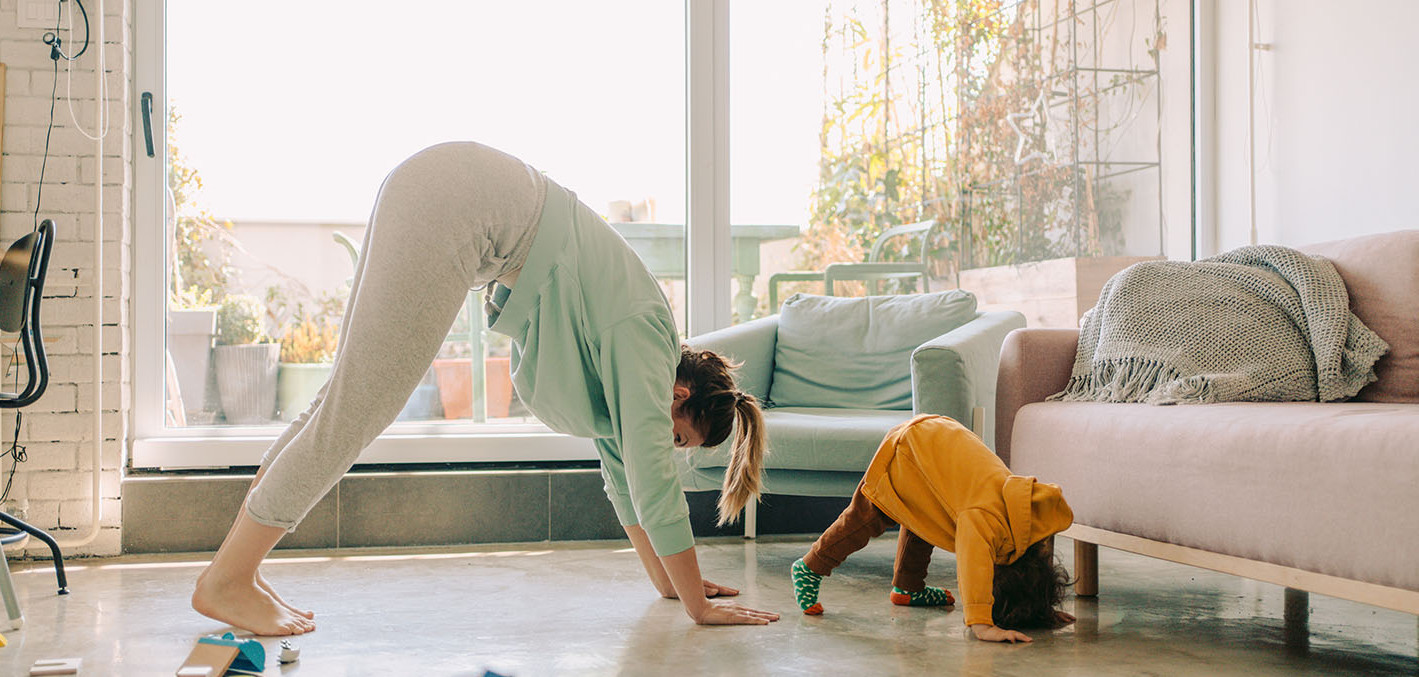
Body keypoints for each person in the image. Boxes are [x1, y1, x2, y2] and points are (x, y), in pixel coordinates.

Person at [192, 142, 780, 635]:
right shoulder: (643, 336)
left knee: (340, 400)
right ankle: (230, 577)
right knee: (357, 409)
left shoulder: (634, 336)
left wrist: (669, 581)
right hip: (454, 203)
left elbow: (623, 474)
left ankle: (237, 568)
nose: (661, 441)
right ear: (680, 396)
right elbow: (649, 478)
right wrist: (700, 608)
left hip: (442, 187)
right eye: (677, 437)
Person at [790, 414, 1075, 643]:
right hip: (908, 447)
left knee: (931, 514)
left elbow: (1040, 555)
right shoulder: (985, 519)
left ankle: (908, 588)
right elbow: (974, 563)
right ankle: (810, 566)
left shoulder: (1027, 513)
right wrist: (982, 623)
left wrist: (1042, 610)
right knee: (866, 517)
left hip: (938, 436)